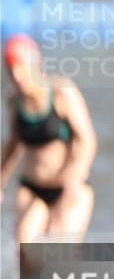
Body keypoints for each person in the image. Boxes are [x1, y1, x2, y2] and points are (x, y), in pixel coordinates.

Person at [0, 35, 97, 249]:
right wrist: (2, 178)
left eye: (21, 67)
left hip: (69, 187)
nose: (17, 76)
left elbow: (87, 140)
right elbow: (14, 143)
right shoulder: (13, 100)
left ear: (36, 64)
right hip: (32, 187)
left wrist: (76, 174)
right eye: (10, 69)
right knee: (25, 251)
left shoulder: (62, 92)